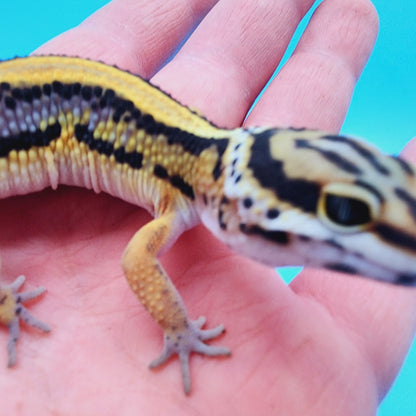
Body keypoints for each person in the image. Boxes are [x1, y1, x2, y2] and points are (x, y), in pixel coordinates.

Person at [2, 0, 415, 413]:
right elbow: (136, 261)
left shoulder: (191, 166)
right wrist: (178, 328)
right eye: (342, 215)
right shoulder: (179, 199)